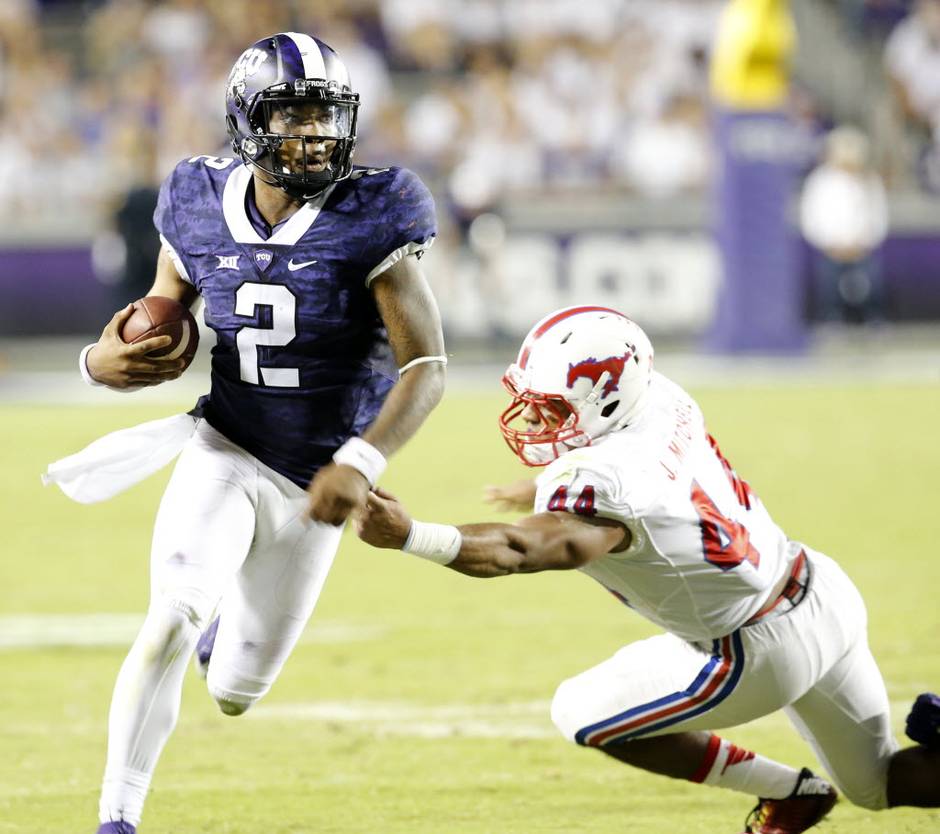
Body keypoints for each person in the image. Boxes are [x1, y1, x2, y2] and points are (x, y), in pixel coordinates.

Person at [356, 305, 940, 833]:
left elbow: (527, 549)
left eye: (551, 408)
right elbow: (642, 472)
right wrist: (545, 485)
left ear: (605, 400)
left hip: (752, 648)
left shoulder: (605, 483)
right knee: (881, 783)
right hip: (818, 586)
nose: (532, 418)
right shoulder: (657, 396)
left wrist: (412, 536)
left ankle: (790, 794)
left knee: (581, 712)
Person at [74, 32, 446, 833]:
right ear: (248, 120)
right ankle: (117, 818)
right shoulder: (195, 196)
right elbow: (157, 315)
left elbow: (429, 368)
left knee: (238, 693)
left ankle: (225, 642)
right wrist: (101, 360)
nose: (312, 135)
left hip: (317, 481)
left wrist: (361, 458)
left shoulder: (373, 209)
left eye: (326, 117)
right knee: (169, 614)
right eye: (293, 116)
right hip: (226, 447)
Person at [799, 126, 888, 324]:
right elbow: (811, 219)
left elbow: (878, 218)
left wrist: (861, 243)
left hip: (862, 249)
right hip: (831, 250)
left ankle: (875, 322)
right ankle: (831, 321)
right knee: (829, 288)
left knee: (872, 286)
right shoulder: (819, 181)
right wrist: (832, 244)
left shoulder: (869, 181)